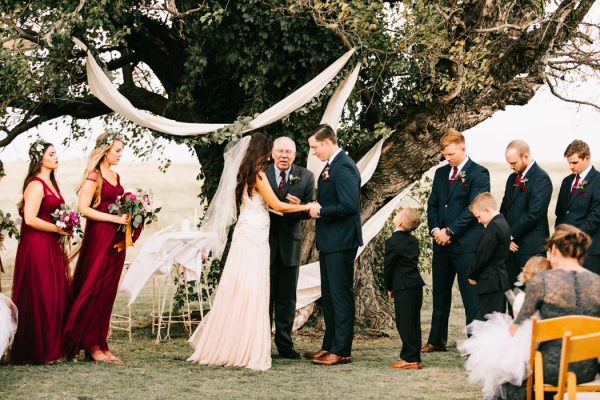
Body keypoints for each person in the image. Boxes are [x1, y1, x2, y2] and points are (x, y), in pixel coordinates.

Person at [187, 133, 312, 371]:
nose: (271, 157)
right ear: (263, 152)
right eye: (269, 151)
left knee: (239, 288)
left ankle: (232, 341)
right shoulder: (260, 175)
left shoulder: (243, 174)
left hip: (245, 235)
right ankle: (247, 345)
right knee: (255, 290)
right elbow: (275, 205)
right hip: (254, 238)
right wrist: (306, 205)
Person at [507, 224, 600, 396]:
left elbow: (516, 327)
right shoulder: (597, 282)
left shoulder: (542, 280)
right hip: (587, 368)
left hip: (550, 370)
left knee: (510, 375)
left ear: (555, 250)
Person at [422, 129, 490, 353]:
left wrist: (450, 231)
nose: (447, 158)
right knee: (440, 294)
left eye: (451, 154)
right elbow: (433, 204)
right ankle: (436, 340)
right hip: (440, 244)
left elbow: (474, 208)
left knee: (470, 296)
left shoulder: (479, 173)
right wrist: (435, 231)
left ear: (463, 148)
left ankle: (476, 341)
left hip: (466, 246)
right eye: (444, 154)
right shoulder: (441, 174)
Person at [63, 132, 129, 363]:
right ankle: (90, 344)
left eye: (121, 150)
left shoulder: (116, 175)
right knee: (94, 286)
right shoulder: (95, 175)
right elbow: (83, 208)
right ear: (105, 150)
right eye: (117, 150)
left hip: (116, 240)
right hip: (100, 236)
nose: (121, 154)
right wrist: (114, 220)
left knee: (108, 290)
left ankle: (101, 343)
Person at [304, 124, 363, 366]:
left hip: (341, 241)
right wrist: (313, 205)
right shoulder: (330, 167)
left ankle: (342, 350)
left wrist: (321, 212)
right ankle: (328, 345)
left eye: (315, 147)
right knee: (328, 295)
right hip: (330, 241)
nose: (313, 152)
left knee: (340, 295)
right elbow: (333, 199)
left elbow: (350, 206)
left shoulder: (345, 167)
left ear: (327, 143)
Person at [457, 256, 550, 400]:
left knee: (504, 361)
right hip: (539, 343)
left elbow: (517, 322)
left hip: (524, 342)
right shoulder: (550, 299)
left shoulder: (521, 298)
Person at [10, 141, 70, 364]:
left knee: (54, 294)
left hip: (51, 244)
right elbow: (30, 219)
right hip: (36, 245)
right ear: (40, 158)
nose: (56, 157)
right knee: (41, 294)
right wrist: (57, 227)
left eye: (56, 154)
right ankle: (37, 349)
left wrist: (65, 227)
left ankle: (52, 345)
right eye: (52, 154)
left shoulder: (52, 183)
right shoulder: (36, 184)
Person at [266, 137, 314, 359]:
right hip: (262, 244)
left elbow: (310, 210)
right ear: (272, 153)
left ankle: (285, 345)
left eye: (289, 152)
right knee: (263, 296)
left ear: (295, 155)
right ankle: (261, 343)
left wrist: (298, 208)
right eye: (280, 151)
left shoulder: (305, 176)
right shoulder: (261, 174)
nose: (284, 155)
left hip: (290, 245)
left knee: (287, 299)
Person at [499, 140, 552, 299]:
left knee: (532, 296)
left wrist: (510, 235)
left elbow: (534, 214)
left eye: (514, 162)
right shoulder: (511, 179)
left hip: (531, 248)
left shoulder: (541, 178)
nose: (511, 166)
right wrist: (505, 237)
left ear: (526, 157)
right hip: (511, 248)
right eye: (509, 163)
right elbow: (504, 209)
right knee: (513, 295)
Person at [384, 208, 424, 370]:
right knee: (414, 321)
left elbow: (389, 267)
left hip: (402, 285)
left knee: (404, 322)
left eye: (397, 214)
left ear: (399, 222)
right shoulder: (413, 241)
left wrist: (389, 286)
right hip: (415, 285)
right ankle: (415, 356)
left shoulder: (392, 242)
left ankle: (409, 358)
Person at [555, 140, 600, 275]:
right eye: (569, 163)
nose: (571, 166)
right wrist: (560, 238)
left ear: (587, 158)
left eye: (574, 163)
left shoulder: (598, 181)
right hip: (566, 249)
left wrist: (574, 237)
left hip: (589, 249)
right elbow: (560, 213)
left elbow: (596, 216)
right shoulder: (567, 181)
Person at [468, 193, 511, 317]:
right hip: (498, 280)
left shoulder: (494, 227)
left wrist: (473, 275)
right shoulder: (503, 222)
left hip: (490, 282)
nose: (478, 220)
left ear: (487, 210)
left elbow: (483, 255)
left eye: (479, 216)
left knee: (490, 322)